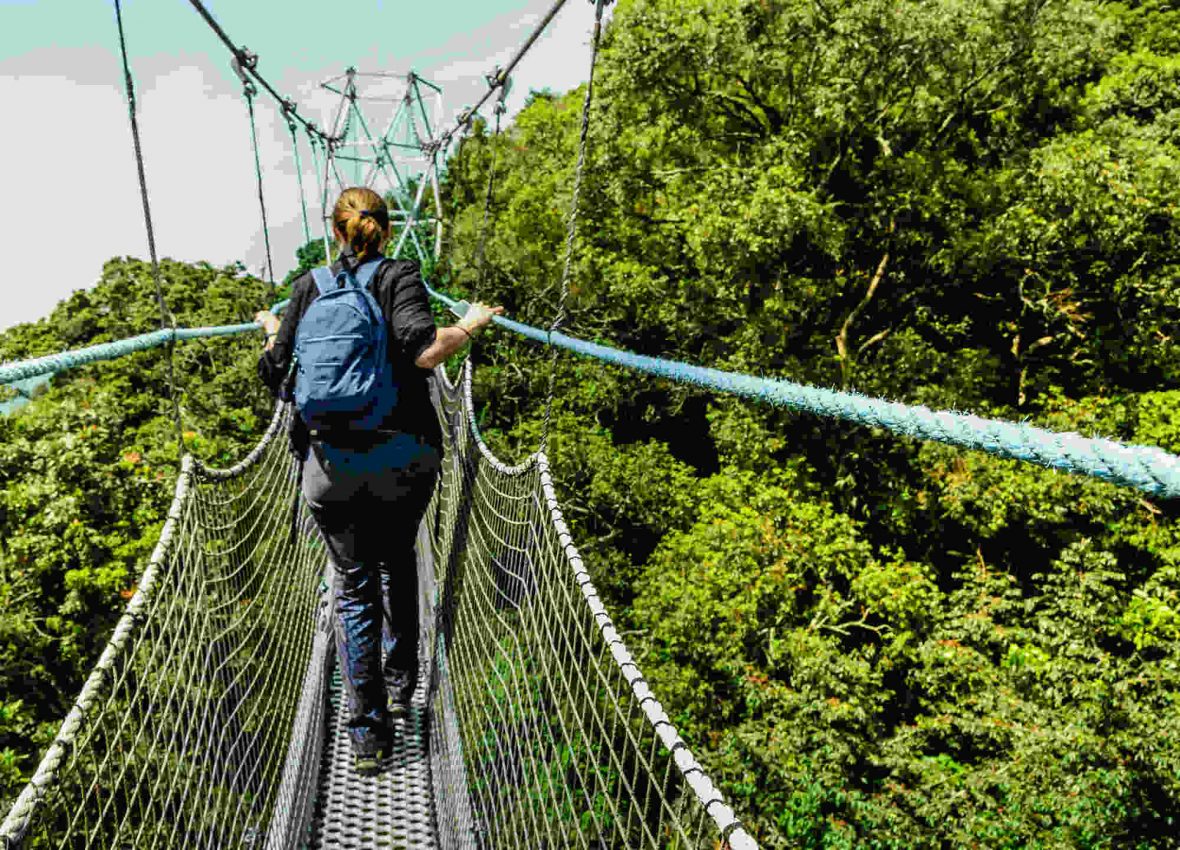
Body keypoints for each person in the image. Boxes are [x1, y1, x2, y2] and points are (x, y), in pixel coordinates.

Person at [255, 186, 502, 775]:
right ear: (384, 231)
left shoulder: (308, 286)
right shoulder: (399, 275)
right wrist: (468, 325)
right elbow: (424, 352)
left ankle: (367, 736)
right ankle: (400, 686)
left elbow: (274, 372)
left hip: (329, 469)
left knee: (353, 587)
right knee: (398, 562)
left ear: (335, 232)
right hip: (401, 462)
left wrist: (271, 329)